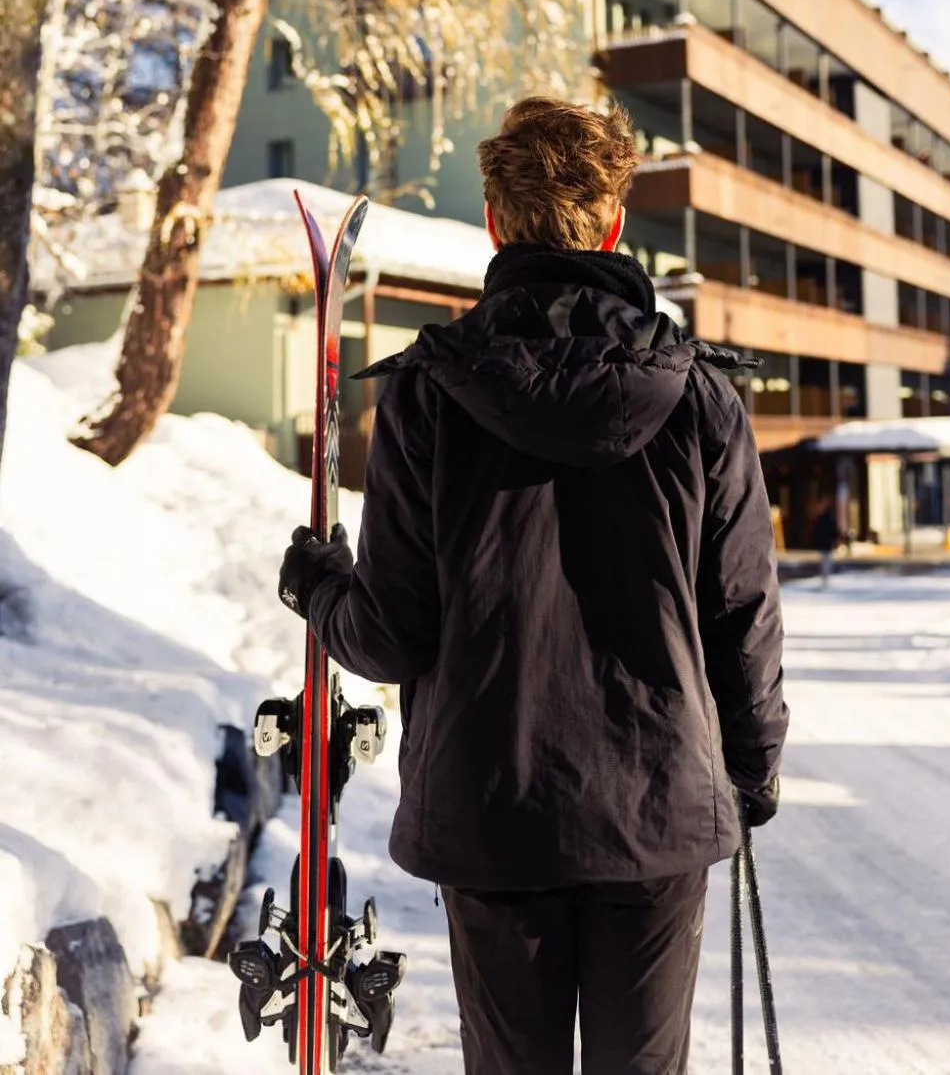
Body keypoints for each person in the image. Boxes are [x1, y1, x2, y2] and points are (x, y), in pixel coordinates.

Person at [278, 96, 788, 1075]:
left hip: (490, 806)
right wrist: (753, 767)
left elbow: (387, 634)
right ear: (613, 225)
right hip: (656, 811)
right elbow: (741, 613)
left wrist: (317, 587)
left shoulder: (427, 394)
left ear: (494, 224)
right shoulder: (701, 397)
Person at [810, 497, 840, 588]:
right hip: (828, 544)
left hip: (825, 543)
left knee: (824, 562)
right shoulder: (829, 519)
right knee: (827, 561)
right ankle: (825, 578)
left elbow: (817, 532)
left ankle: (825, 578)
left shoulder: (822, 519)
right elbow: (834, 531)